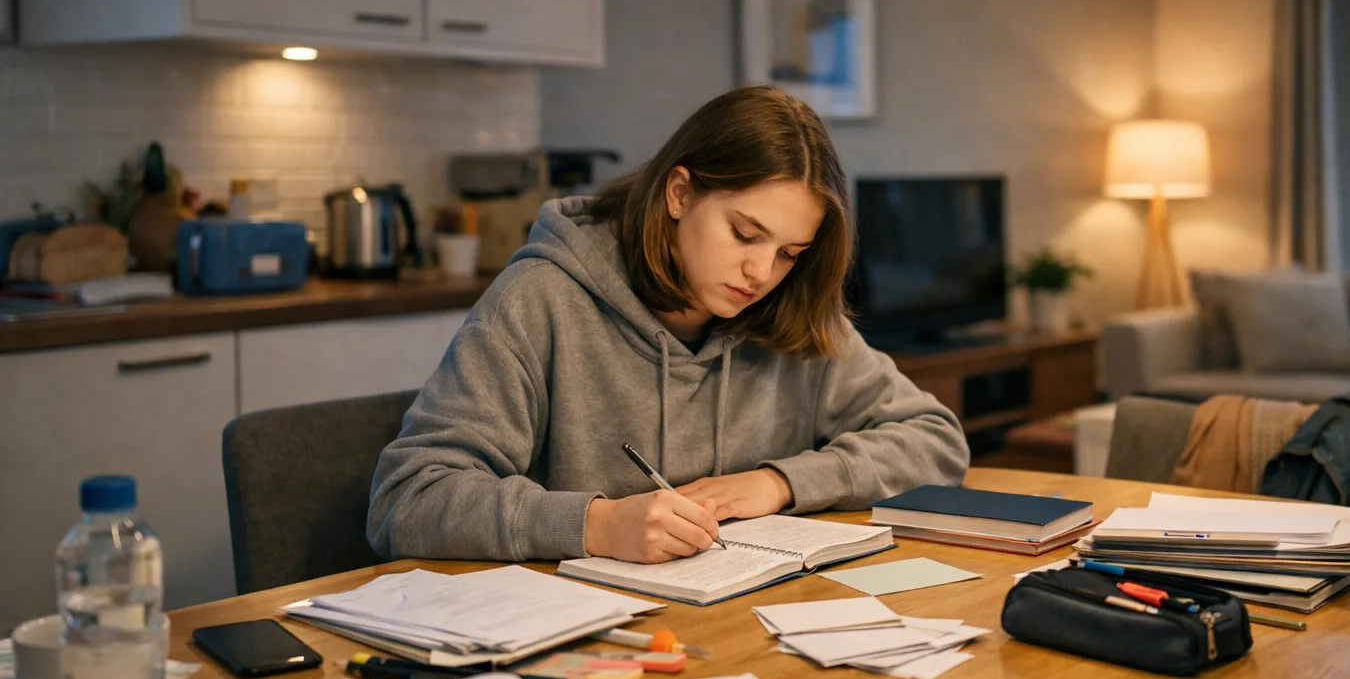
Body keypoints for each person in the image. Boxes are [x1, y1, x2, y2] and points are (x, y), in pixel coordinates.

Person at [368, 85, 969, 565]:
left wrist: (780, 482)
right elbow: (409, 498)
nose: (761, 272)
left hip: (743, 629)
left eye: (790, 252)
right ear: (679, 194)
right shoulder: (543, 299)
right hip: (591, 648)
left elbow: (936, 441)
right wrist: (596, 524)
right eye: (745, 233)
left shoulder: (791, 308)